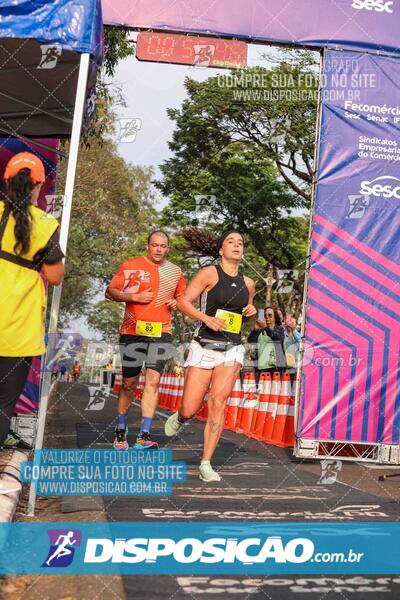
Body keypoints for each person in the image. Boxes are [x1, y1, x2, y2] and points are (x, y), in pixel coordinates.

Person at [164, 231, 256, 482]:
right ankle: (181, 416)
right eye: (231, 242)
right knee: (191, 408)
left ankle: (206, 463)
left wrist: (252, 311)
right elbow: (182, 302)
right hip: (204, 345)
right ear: (220, 250)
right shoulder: (209, 274)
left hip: (232, 349)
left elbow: (246, 318)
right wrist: (206, 318)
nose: (236, 245)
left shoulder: (248, 283)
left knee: (218, 402)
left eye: (240, 243)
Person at [0, 152, 64, 493]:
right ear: (39, 186)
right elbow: (55, 277)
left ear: (7, 182)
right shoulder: (46, 225)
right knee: (3, 405)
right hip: (18, 333)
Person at [106, 230, 186, 450]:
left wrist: (176, 303)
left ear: (167, 248)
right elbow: (110, 291)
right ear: (148, 246)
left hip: (161, 333)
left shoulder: (175, 271)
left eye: (163, 246)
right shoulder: (131, 265)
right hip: (132, 332)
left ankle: (143, 435)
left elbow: (182, 298)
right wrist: (134, 297)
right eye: (155, 245)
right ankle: (121, 431)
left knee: (153, 381)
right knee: (129, 384)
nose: (159, 249)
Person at [247, 306, 286, 375]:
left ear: (274, 318)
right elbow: (250, 341)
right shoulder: (260, 330)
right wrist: (255, 330)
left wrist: (266, 327)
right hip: (261, 369)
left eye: (270, 315)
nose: (267, 317)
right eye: (265, 315)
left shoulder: (279, 329)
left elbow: (277, 339)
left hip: (276, 369)